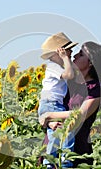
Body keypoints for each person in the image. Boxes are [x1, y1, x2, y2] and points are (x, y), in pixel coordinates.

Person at [39, 41, 101, 167]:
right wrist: (49, 120)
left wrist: (49, 115)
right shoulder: (67, 81)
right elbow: (45, 108)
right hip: (51, 150)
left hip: (75, 153)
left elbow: (81, 114)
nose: (75, 55)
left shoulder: (96, 88)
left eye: (81, 54)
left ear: (90, 63)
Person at [38, 32, 78, 169]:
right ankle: (64, 163)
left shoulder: (58, 66)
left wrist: (67, 59)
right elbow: (70, 74)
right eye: (68, 50)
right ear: (58, 52)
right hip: (51, 105)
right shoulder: (53, 67)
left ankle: (52, 163)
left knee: (57, 136)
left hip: (52, 105)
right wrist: (65, 58)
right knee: (65, 133)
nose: (71, 52)